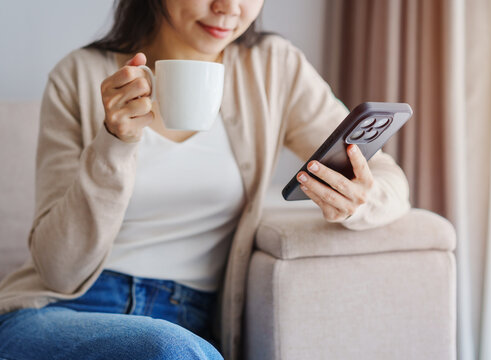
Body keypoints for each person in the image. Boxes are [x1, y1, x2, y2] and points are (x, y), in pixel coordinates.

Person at [0, 0, 410, 359]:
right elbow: (57, 270)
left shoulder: (273, 68)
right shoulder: (78, 75)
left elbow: (388, 178)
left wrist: (361, 201)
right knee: (170, 348)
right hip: (59, 313)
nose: (229, 6)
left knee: (172, 346)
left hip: (186, 320)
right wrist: (113, 143)